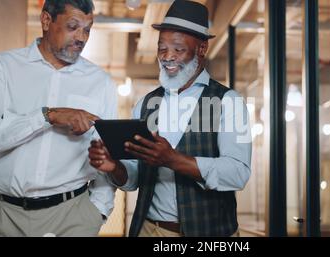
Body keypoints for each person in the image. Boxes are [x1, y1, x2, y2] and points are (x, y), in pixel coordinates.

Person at [88, 0, 251, 237]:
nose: (168, 57)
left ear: (202, 49)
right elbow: (133, 178)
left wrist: (173, 159)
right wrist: (115, 167)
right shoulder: (145, 104)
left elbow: (238, 173)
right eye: (162, 48)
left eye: (178, 49)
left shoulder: (229, 101)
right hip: (150, 230)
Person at [0, 0, 116, 237]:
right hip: (2, 216)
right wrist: (47, 116)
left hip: (72, 217)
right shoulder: (2, 67)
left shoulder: (100, 82)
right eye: (73, 26)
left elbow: (107, 153)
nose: (82, 37)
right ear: (46, 21)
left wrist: (98, 212)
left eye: (87, 29)